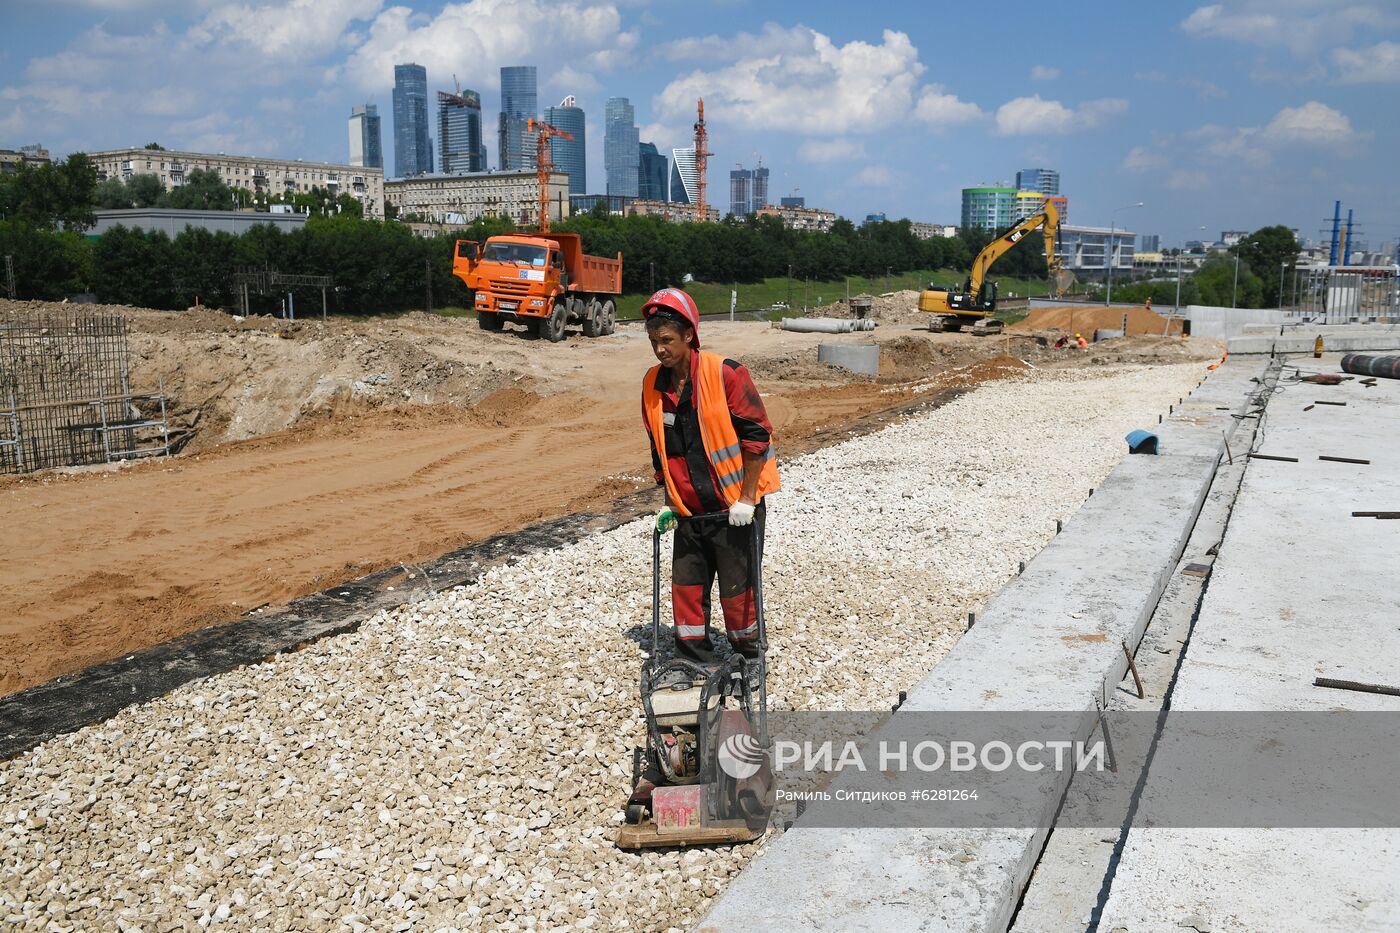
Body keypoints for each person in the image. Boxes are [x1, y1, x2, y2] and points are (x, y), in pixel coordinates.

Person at [639, 287, 780, 672]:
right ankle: (693, 661)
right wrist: (670, 501)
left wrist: (748, 499)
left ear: (689, 336)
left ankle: (747, 659)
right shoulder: (653, 384)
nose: (659, 350)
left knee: (738, 592)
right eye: (653, 342)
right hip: (689, 509)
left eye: (666, 340)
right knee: (687, 589)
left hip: (734, 508)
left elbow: (757, 438)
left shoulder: (727, 374)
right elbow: (660, 448)